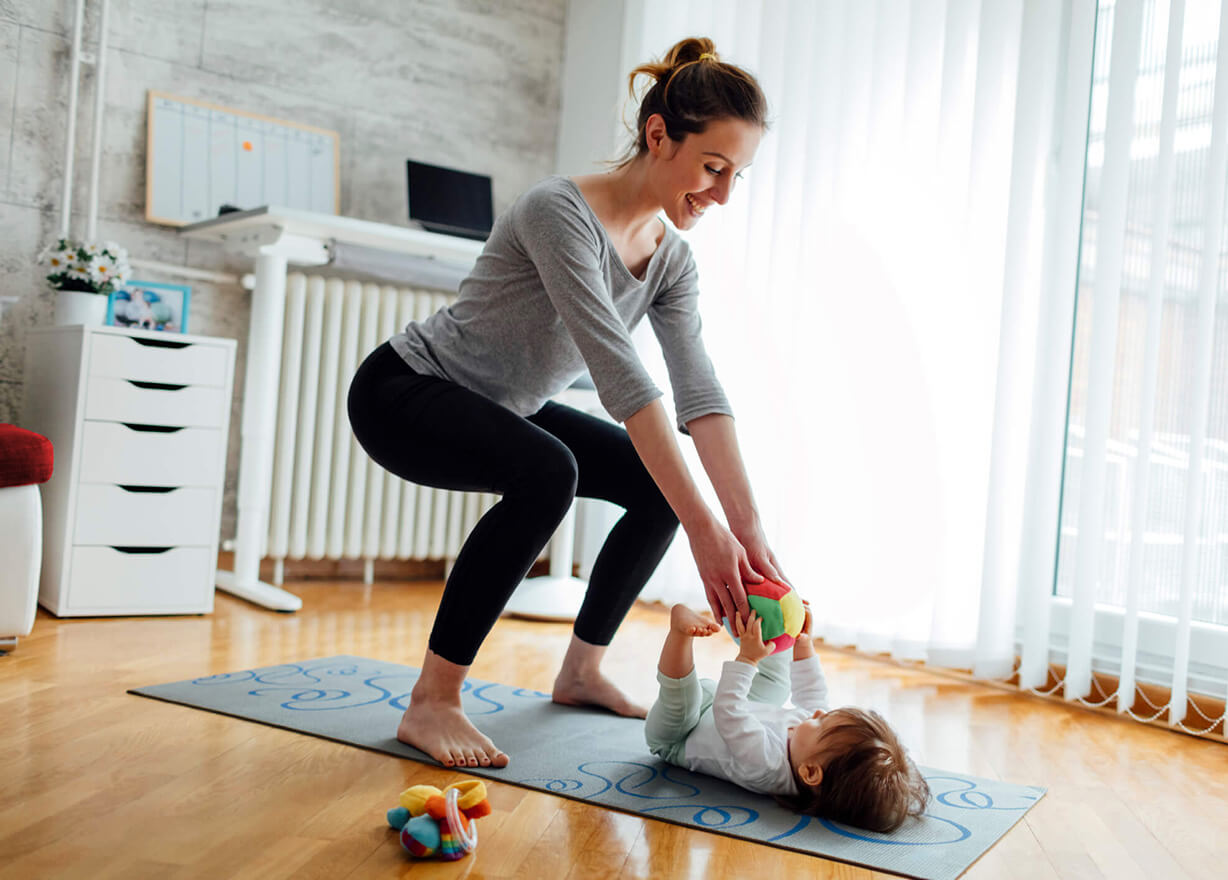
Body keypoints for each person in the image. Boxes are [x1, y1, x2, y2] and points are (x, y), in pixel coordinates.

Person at [347, 36, 784, 769]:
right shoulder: (560, 211)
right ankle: (432, 700)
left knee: (652, 489)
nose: (723, 194)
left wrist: (748, 531)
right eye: (714, 168)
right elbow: (623, 378)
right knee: (550, 472)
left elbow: (698, 392)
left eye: (737, 175)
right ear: (657, 136)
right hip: (405, 391)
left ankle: (581, 670)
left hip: (505, 406)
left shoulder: (671, 259)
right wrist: (705, 530)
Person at [647, 604, 930, 832]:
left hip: (681, 735)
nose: (819, 713)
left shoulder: (766, 764)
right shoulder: (811, 747)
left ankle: (679, 633)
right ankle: (769, 624)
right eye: (828, 715)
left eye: (822, 722)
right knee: (777, 682)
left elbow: (728, 713)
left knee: (682, 699)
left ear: (809, 772)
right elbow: (813, 694)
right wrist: (802, 642)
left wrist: (747, 659)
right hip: (737, 708)